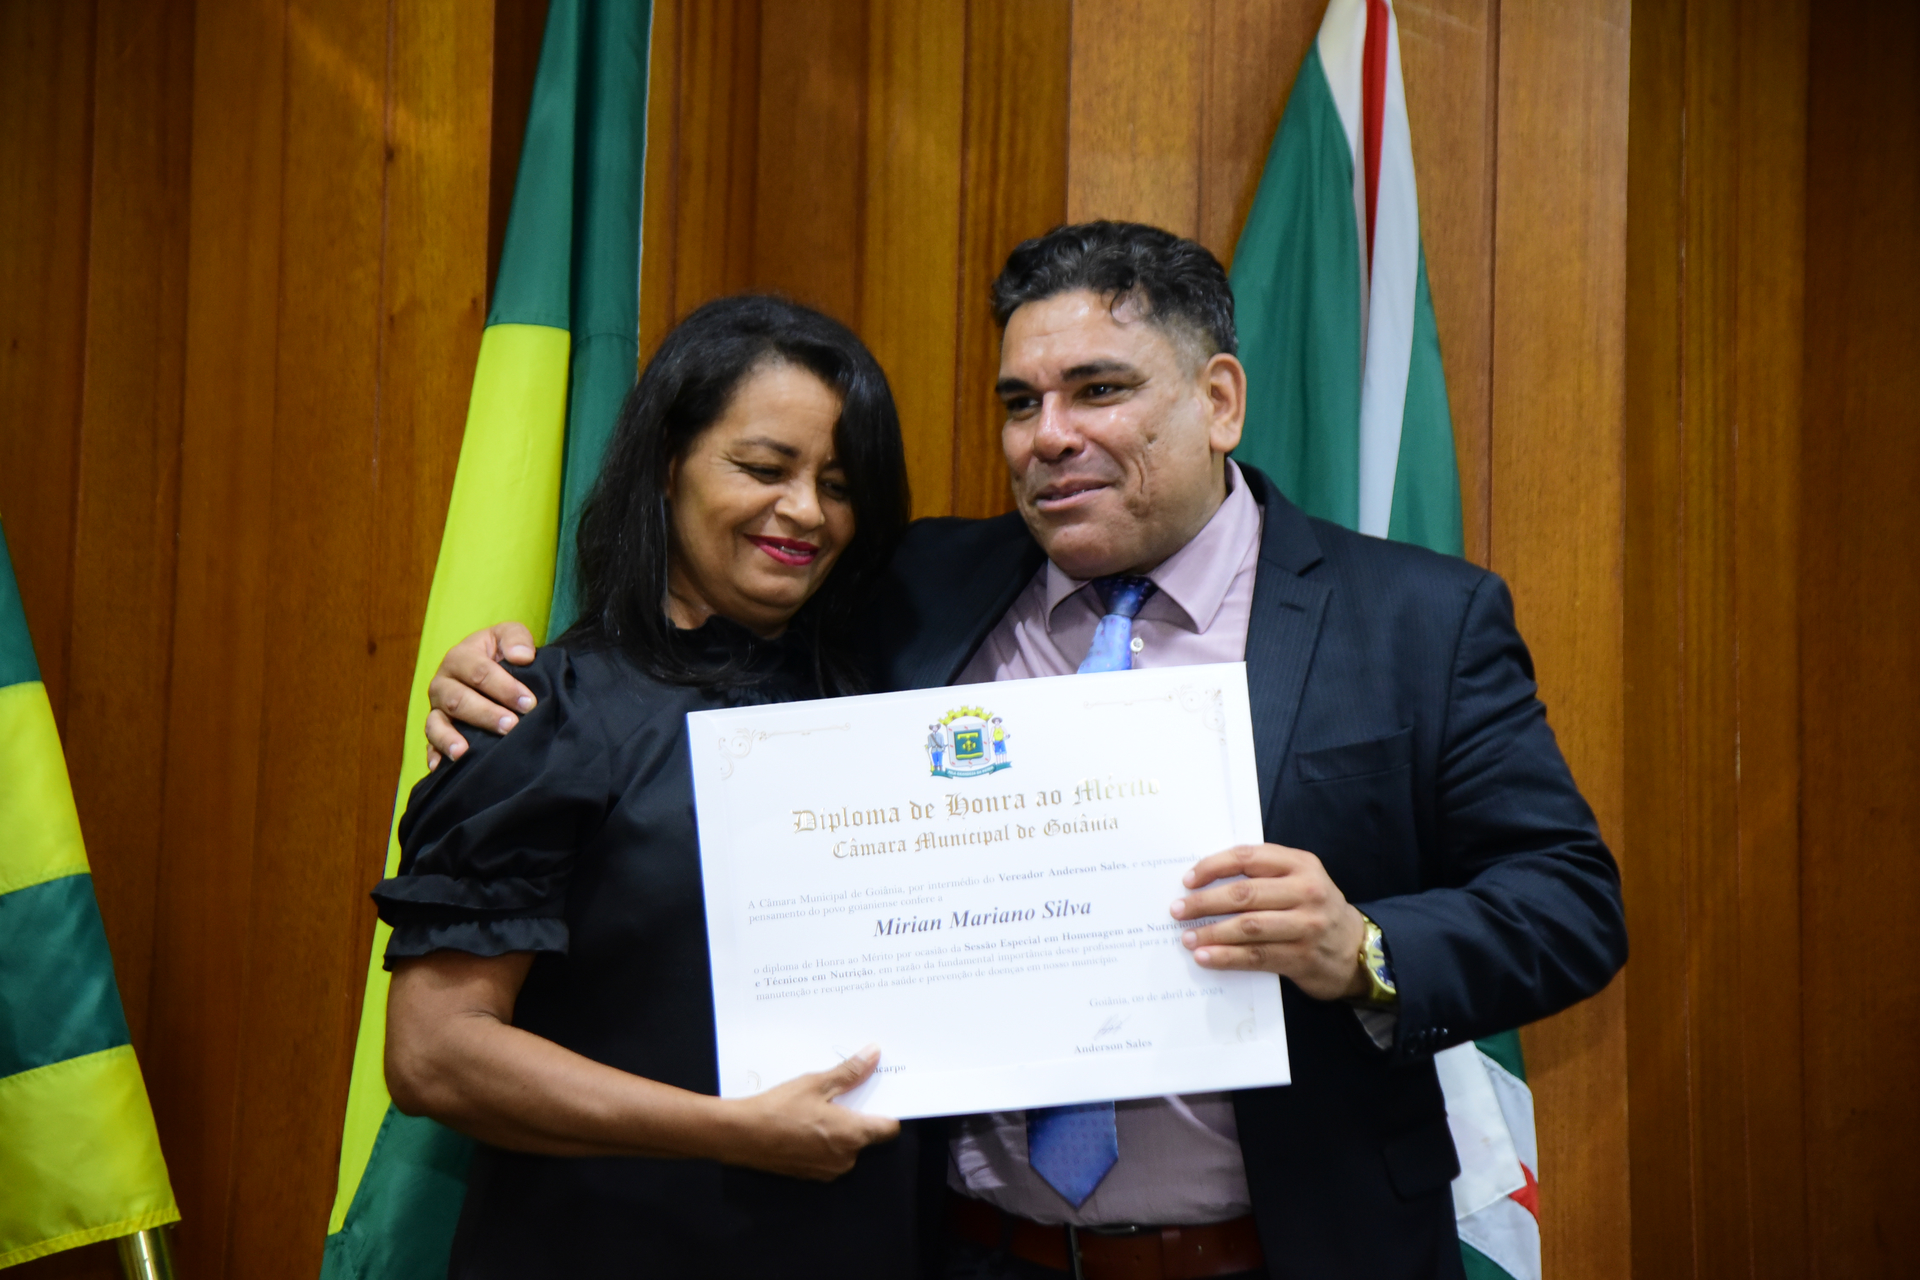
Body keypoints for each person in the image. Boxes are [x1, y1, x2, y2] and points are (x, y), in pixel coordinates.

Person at [423, 223, 1629, 1280]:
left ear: (1219, 399)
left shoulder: (1417, 620)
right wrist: (506, 675)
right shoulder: (908, 589)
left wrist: (1360, 946)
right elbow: (698, 624)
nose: (1049, 436)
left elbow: (1569, 900)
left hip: (1286, 1249)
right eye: (1018, 401)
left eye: (1098, 389)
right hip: (965, 1250)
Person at [374, 295, 915, 1278]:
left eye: (839, 485)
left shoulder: (890, 701)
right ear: (669, 462)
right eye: (764, 468)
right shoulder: (536, 712)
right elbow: (434, 1055)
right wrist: (730, 1130)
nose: (806, 511)